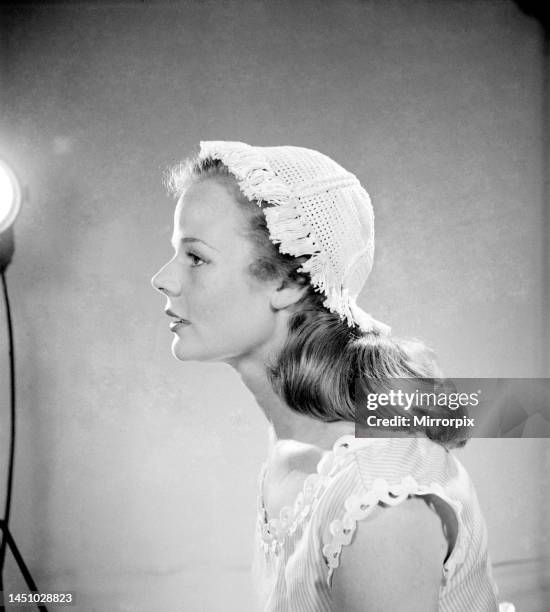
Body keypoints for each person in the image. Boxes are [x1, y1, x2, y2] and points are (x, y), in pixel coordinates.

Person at [151, 141, 511, 611]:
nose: (163, 278)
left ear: (289, 282)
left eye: (195, 257)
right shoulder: (294, 446)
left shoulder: (379, 497)